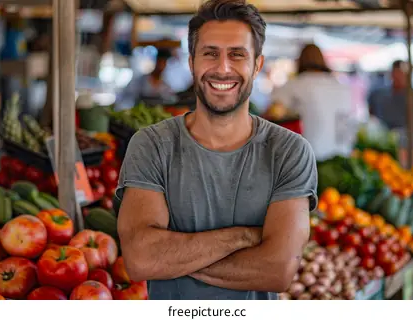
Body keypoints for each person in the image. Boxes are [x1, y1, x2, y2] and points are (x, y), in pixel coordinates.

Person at [114, 0, 317, 300]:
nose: (223, 69)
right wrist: (246, 236)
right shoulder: (151, 145)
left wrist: (173, 258)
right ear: (192, 62)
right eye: (210, 54)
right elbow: (142, 260)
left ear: (257, 65)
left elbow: (277, 271)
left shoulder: (288, 152)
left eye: (237, 55)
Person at [267, 43, 356, 161]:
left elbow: (275, 112)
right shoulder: (342, 86)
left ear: (300, 60)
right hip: (343, 154)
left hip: (310, 156)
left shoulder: (295, 85)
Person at [368, 60, 413, 130]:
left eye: (401, 74)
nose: (398, 77)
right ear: (392, 74)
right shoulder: (377, 94)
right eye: (396, 73)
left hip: (405, 137)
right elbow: (371, 115)